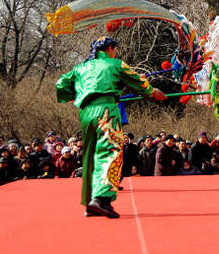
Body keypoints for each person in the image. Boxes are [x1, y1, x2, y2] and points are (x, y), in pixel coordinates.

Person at [55, 36, 166, 218]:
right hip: (106, 110)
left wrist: (77, 93)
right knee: (109, 152)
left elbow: (60, 84)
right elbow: (137, 82)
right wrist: (152, 91)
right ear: (110, 48)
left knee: (90, 154)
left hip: (85, 113)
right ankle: (101, 199)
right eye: (115, 49)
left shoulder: (80, 68)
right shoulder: (115, 65)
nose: (116, 52)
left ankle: (90, 201)